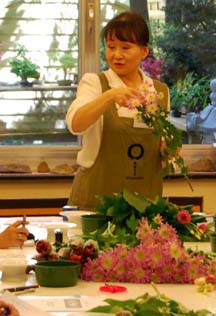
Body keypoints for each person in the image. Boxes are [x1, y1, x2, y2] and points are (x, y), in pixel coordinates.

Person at [66, 11, 169, 210]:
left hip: (144, 203)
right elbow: (75, 124)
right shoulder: (95, 83)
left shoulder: (159, 91)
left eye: (125, 47)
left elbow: (161, 146)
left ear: (144, 51)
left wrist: (169, 150)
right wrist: (109, 97)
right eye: (111, 47)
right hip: (95, 202)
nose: (117, 55)